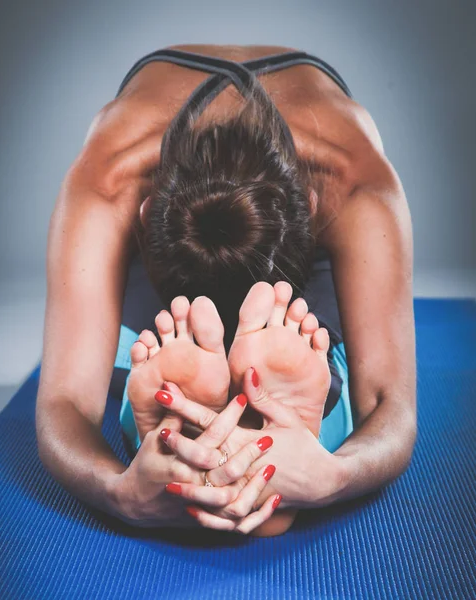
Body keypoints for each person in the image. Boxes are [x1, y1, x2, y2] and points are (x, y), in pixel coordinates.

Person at [35, 44, 416, 537]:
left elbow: (395, 405)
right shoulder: (109, 180)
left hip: (273, 244)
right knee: (304, 350)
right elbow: (62, 404)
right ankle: (278, 420)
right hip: (205, 255)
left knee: (149, 348)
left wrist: (332, 480)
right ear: (147, 216)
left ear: (315, 209)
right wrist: (122, 493)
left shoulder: (355, 181)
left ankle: (184, 423)